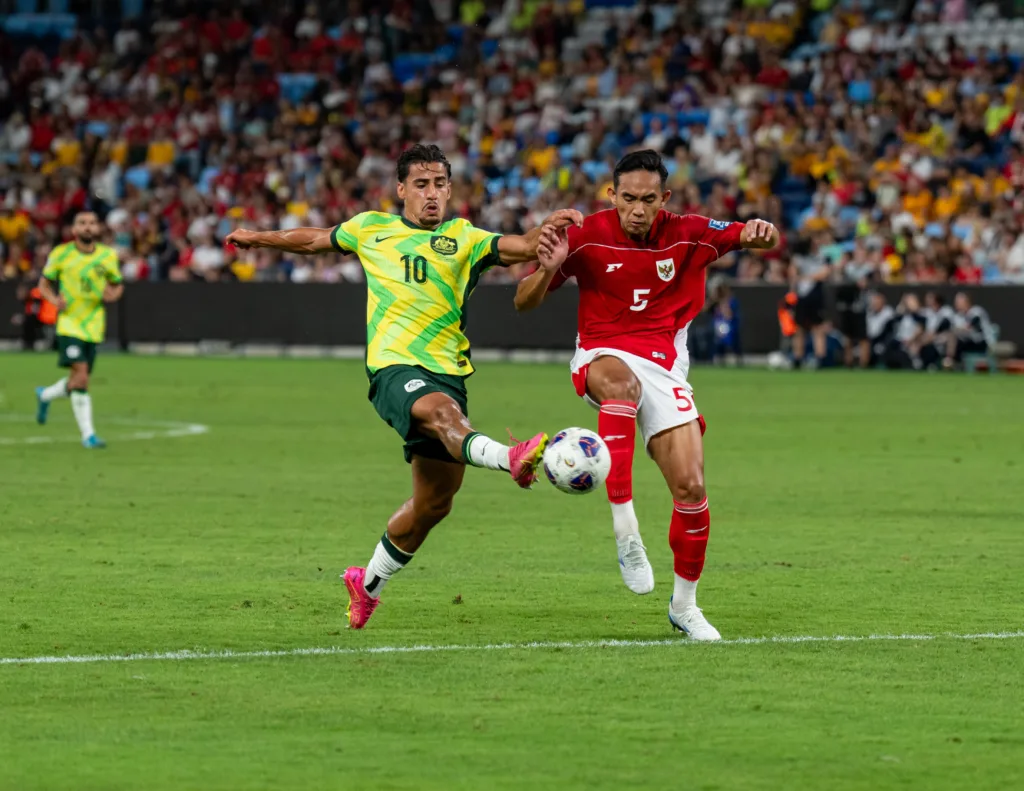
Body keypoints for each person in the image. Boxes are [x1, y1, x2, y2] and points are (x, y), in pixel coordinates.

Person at [226, 143, 582, 630]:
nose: (431, 194)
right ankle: (511, 458)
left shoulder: (465, 238)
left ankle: (365, 584)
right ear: (401, 190)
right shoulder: (372, 228)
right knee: (442, 417)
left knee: (433, 505)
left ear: (450, 189)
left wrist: (551, 231)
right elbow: (312, 240)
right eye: (421, 184)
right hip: (393, 369)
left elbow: (520, 245)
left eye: (439, 184)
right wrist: (259, 239)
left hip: (447, 374)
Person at [514, 150, 778, 640]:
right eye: (628, 198)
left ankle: (685, 605)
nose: (637, 209)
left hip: (665, 366)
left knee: (692, 490)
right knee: (621, 385)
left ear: (665, 199)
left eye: (648, 200)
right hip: (602, 353)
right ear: (611, 195)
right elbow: (522, 301)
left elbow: (749, 233)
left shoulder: (690, 232)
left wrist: (761, 231)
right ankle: (625, 527)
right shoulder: (586, 235)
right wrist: (548, 270)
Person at [35, 211, 124, 448]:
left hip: (94, 326)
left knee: (77, 380)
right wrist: (54, 301)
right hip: (69, 324)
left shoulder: (107, 256)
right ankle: (88, 436)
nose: (87, 227)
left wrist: (112, 294)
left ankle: (45, 395)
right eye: (82, 223)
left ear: (98, 229)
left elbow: (117, 285)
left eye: (92, 223)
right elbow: (43, 284)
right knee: (82, 376)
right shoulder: (61, 253)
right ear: (74, 230)